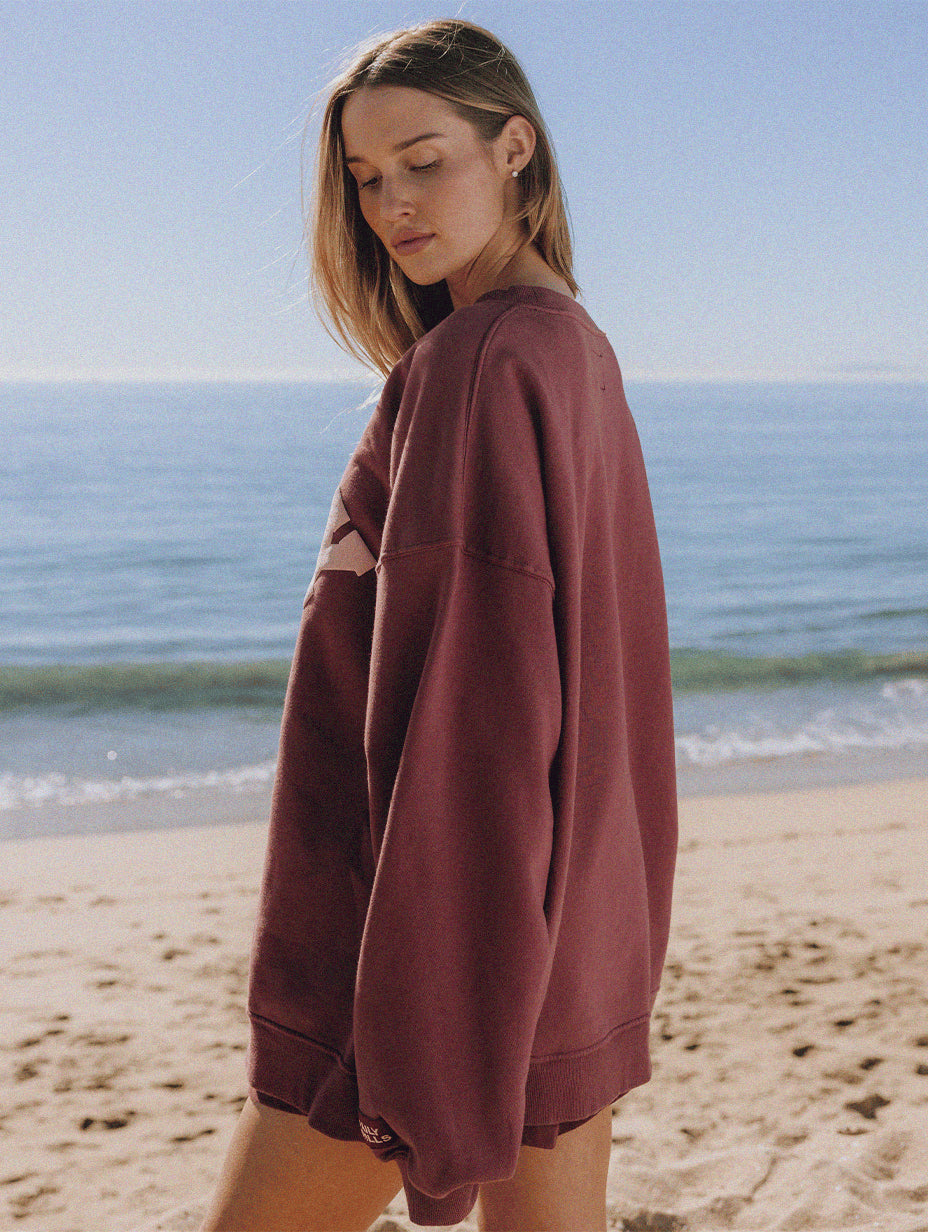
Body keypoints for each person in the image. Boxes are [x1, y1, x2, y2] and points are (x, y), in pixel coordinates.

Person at [199, 18, 677, 1232]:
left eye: (425, 160)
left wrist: (429, 1027)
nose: (392, 204)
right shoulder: (573, 346)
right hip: (564, 939)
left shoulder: (477, 363)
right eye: (364, 179)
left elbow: (477, 722)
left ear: (514, 147)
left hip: (422, 965)